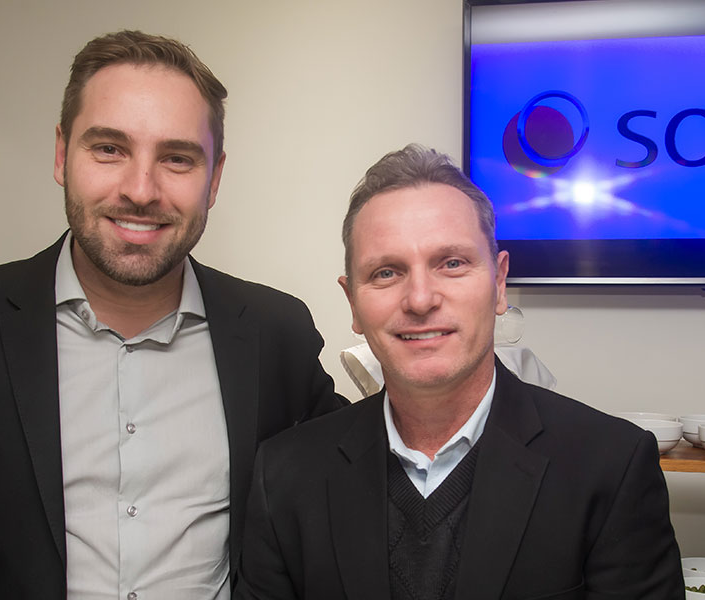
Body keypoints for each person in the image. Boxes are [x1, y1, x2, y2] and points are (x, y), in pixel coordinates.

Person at [0, 31, 343, 600]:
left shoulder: (275, 334)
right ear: (61, 154)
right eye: (110, 149)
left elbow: (355, 488)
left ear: (213, 179)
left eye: (177, 158)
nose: (141, 190)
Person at [236, 144, 684, 600]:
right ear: (353, 302)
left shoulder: (611, 467)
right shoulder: (285, 477)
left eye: (452, 263)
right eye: (386, 273)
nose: (420, 299)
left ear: (499, 283)